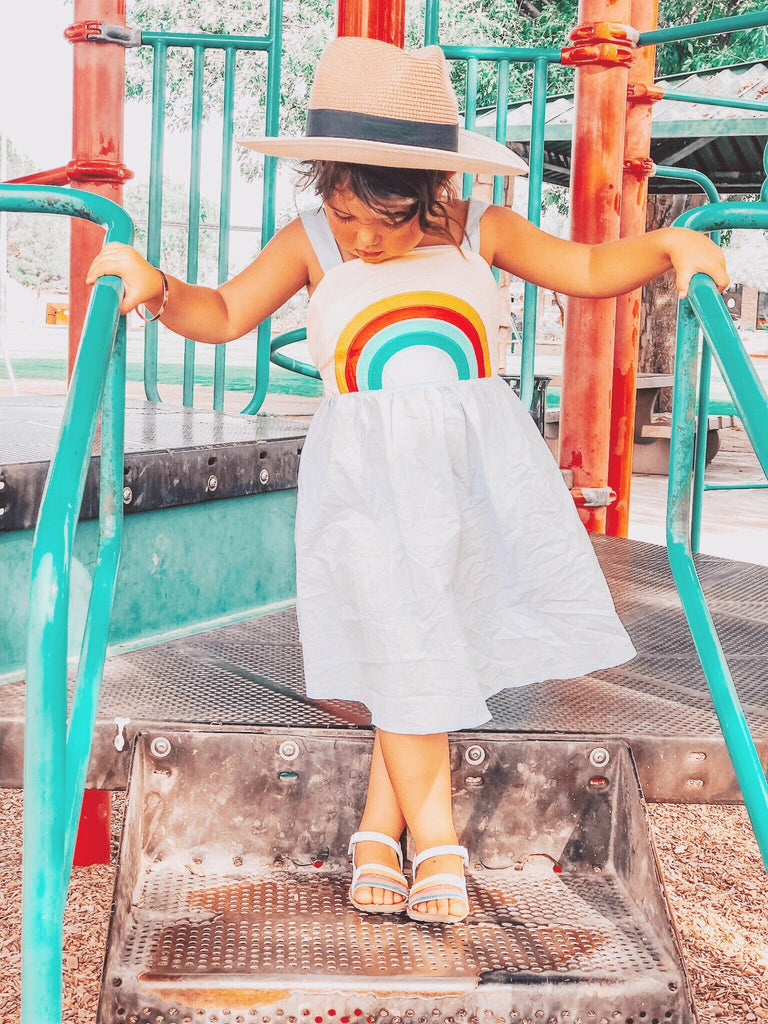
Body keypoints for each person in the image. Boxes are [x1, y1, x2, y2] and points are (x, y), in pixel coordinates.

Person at [87, 36, 729, 926]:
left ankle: (373, 834)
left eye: (378, 223)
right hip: (368, 489)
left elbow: (586, 271)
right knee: (407, 646)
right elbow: (226, 310)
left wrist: (667, 244)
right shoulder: (313, 242)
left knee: (426, 655)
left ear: (430, 190)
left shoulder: (485, 232)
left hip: (474, 483)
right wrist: (156, 286)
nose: (359, 240)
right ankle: (438, 850)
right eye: (345, 215)